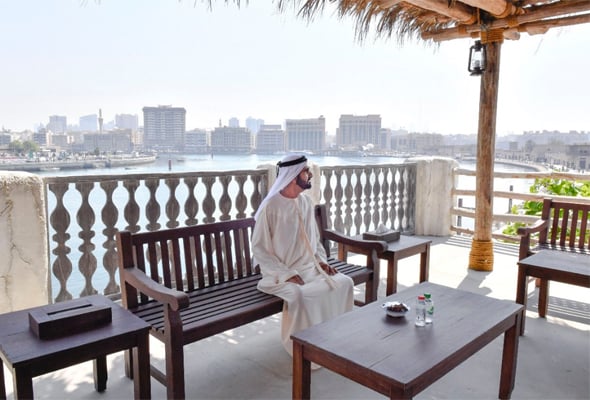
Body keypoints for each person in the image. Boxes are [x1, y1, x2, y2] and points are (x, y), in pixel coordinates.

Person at [252, 153, 354, 357]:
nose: (310, 175)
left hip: (310, 268)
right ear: (293, 176)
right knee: (299, 295)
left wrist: (321, 262)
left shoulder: (306, 202)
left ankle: (332, 336)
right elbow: (260, 249)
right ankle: (304, 348)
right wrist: (286, 274)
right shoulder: (271, 207)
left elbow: (314, 240)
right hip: (280, 274)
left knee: (345, 282)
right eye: (306, 171)